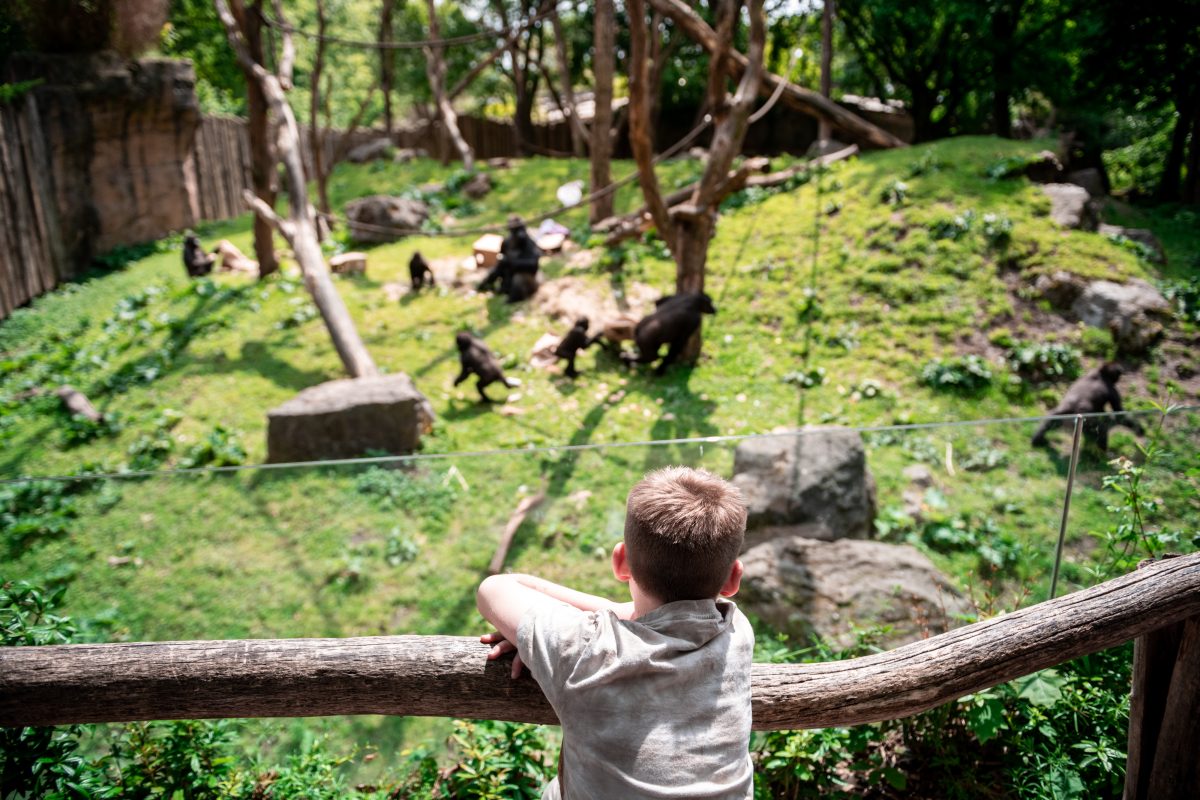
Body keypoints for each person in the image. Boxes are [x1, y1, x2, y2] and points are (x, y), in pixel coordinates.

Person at [476, 466, 753, 799]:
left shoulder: (586, 650)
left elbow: (496, 588)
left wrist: (531, 632)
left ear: (621, 562)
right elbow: (664, 617)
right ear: (734, 579)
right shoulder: (735, 631)